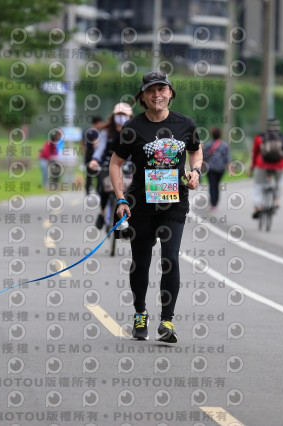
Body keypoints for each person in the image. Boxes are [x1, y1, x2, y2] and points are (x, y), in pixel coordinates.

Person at [109, 71, 203, 343]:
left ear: (171, 93)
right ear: (142, 97)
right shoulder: (133, 128)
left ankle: (167, 321)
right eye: (151, 91)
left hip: (174, 202)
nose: (157, 94)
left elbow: (196, 149)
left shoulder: (185, 124)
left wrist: (195, 171)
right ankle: (140, 313)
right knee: (141, 261)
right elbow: (115, 163)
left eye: (162, 89)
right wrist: (121, 197)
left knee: (170, 258)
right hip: (142, 203)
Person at [88, 103, 134, 229]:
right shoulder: (106, 132)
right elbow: (100, 149)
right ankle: (102, 213)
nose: (121, 117)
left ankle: (129, 219)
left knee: (133, 192)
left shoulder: (134, 132)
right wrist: (95, 161)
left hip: (129, 168)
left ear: (130, 116)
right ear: (113, 116)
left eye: (124, 115)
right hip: (107, 167)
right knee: (105, 188)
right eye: (118, 115)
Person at [250, 118, 283, 219]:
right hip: (279, 165)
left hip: (262, 164)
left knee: (258, 185)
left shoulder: (259, 137)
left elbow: (255, 153)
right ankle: (276, 200)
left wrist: (252, 167)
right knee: (280, 181)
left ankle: (258, 206)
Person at [202, 126, 233, 211]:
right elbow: (228, 158)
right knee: (216, 185)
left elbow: (203, 156)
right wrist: (231, 168)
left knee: (212, 185)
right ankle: (215, 203)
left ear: (212, 134)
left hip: (210, 168)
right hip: (220, 169)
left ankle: (213, 204)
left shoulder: (208, 145)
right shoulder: (225, 146)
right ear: (220, 135)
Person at [82, 116, 103, 196]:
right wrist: (97, 155)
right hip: (94, 158)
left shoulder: (86, 131)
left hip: (87, 156)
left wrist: (86, 152)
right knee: (98, 176)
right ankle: (98, 192)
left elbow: (82, 143)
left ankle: (87, 193)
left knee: (88, 176)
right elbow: (95, 144)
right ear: (98, 123)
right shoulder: (95, 132)